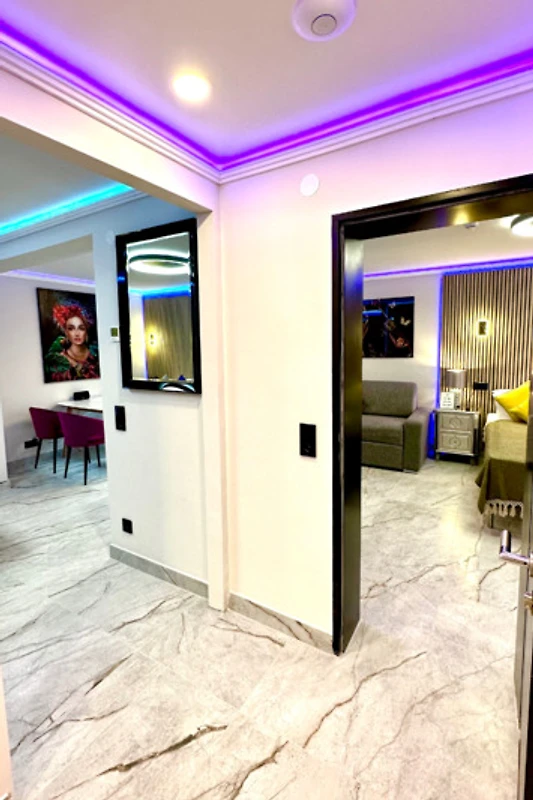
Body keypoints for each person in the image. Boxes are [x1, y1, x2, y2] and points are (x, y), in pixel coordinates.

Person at [44, 302, 100, 381]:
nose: (77, 333)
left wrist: (73, 362)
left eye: (81, 328)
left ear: (86, 331)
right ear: (66, 332)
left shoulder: (96, 353)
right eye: (71, 328)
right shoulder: (60, 360)